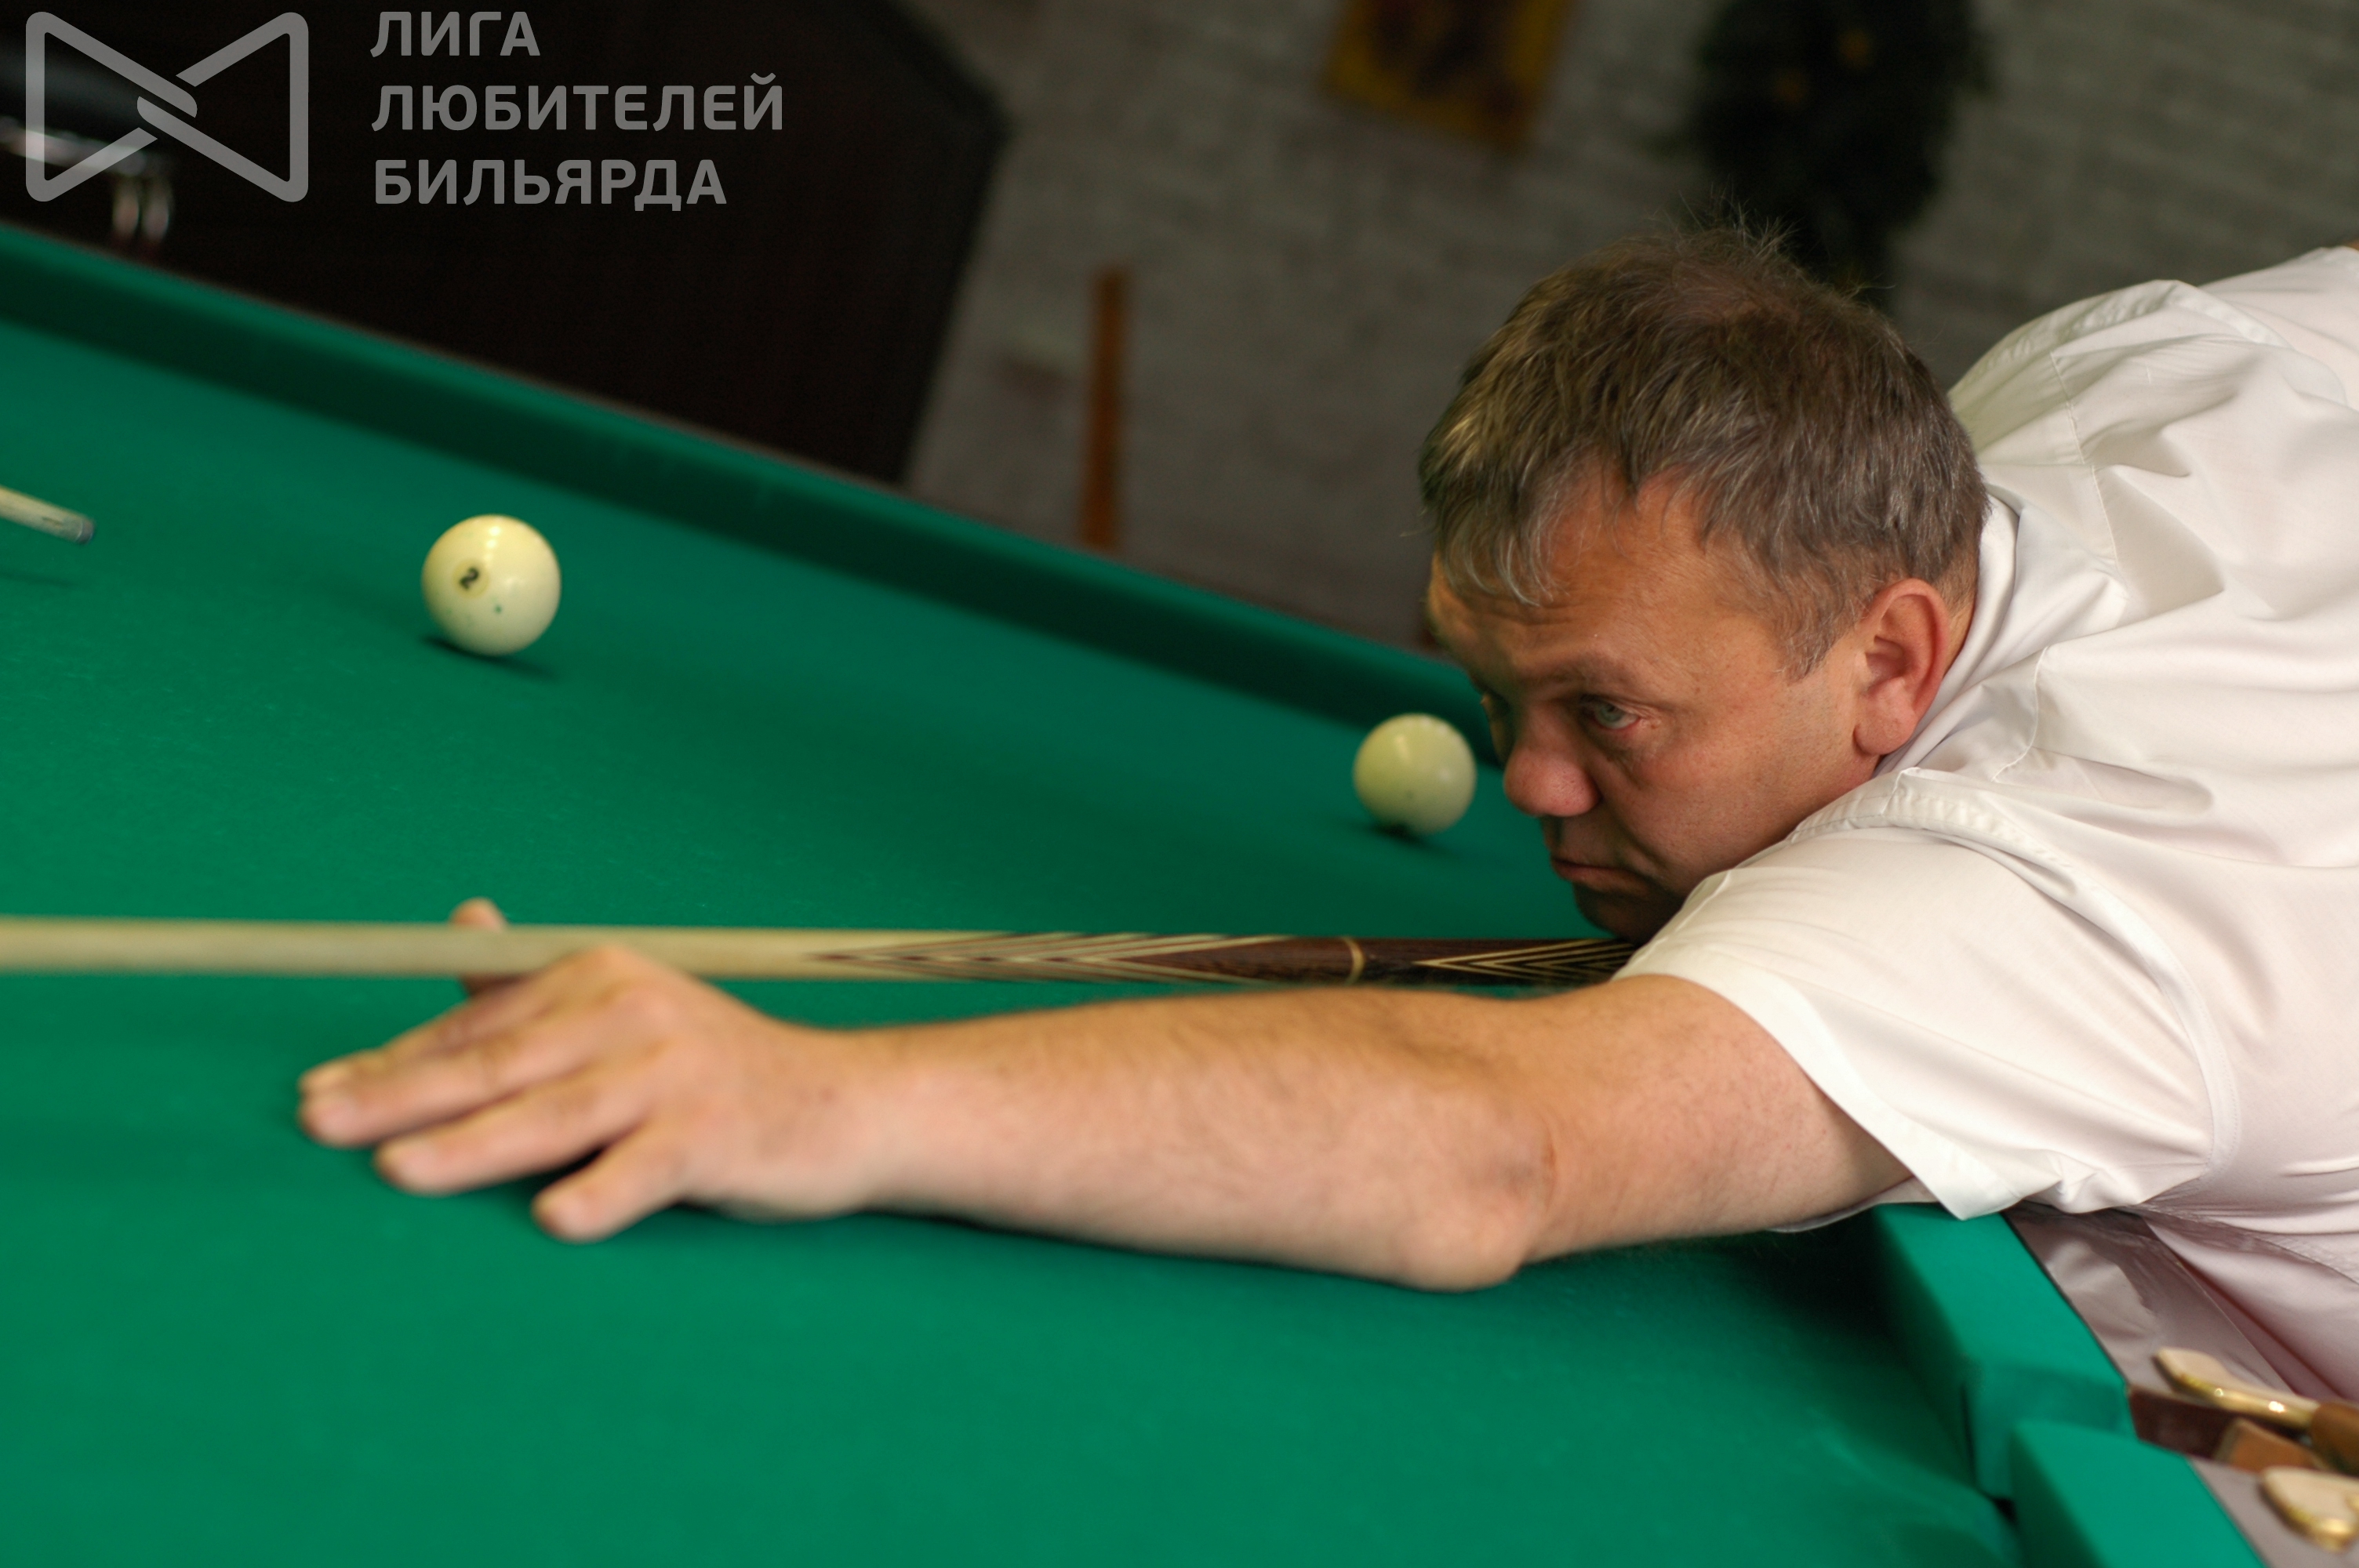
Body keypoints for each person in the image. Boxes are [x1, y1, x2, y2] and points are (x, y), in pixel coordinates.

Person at [298, 228, 2359, 1393]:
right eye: (1492, 695)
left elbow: (1496, 1148)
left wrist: (805, 1095)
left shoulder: (2048, 881)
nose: (1527, 783)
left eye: (1609, 714)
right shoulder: (2142, 369)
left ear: (1896, 661)